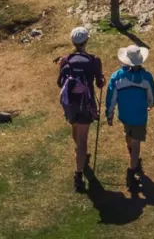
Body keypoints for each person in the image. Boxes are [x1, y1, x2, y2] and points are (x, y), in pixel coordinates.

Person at [58, 26, 106, 193]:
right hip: (86, 103)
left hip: (70, 102)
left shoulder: (65, 60)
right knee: (83, 139)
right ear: (86, 41)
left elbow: (59, 82)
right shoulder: (94, 60)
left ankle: (80, 155)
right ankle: (78, 173)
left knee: (74, 127)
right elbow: (99, 83)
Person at [105, 44, 154, 188]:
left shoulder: (117, 77)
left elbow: (111, 98)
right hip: (139, 116)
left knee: (128, 136)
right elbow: (151, 97)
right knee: (136, 144)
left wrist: (109, 115)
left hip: (125, 115)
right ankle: (131, 171)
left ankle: (133, 159)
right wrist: (150, 106)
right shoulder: (146, 78)